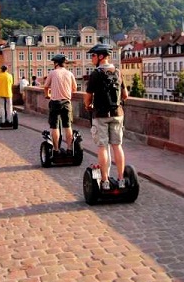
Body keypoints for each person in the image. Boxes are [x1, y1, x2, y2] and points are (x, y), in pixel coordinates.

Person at [84, 44, 128, 190]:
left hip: (101, 115)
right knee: (117, 146)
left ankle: (105, 181)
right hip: (117, 114)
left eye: (93, 55)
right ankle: (121, 179)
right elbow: (125, 95)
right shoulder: (118, 72)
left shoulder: (95, 74)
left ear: (101, 56)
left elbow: (88, 97)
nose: (92, 58)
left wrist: (88, 105)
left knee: (103, 146)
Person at [43, 54, 77, 156]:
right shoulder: (69, 73)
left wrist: (47, 95)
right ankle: (70, 149)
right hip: (66, 102)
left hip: (55, 102)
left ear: (56, 63)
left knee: (54, 127)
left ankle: (56, 150)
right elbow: (74, 88)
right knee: (68, 126)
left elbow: (46, 87)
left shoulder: (53, 73)